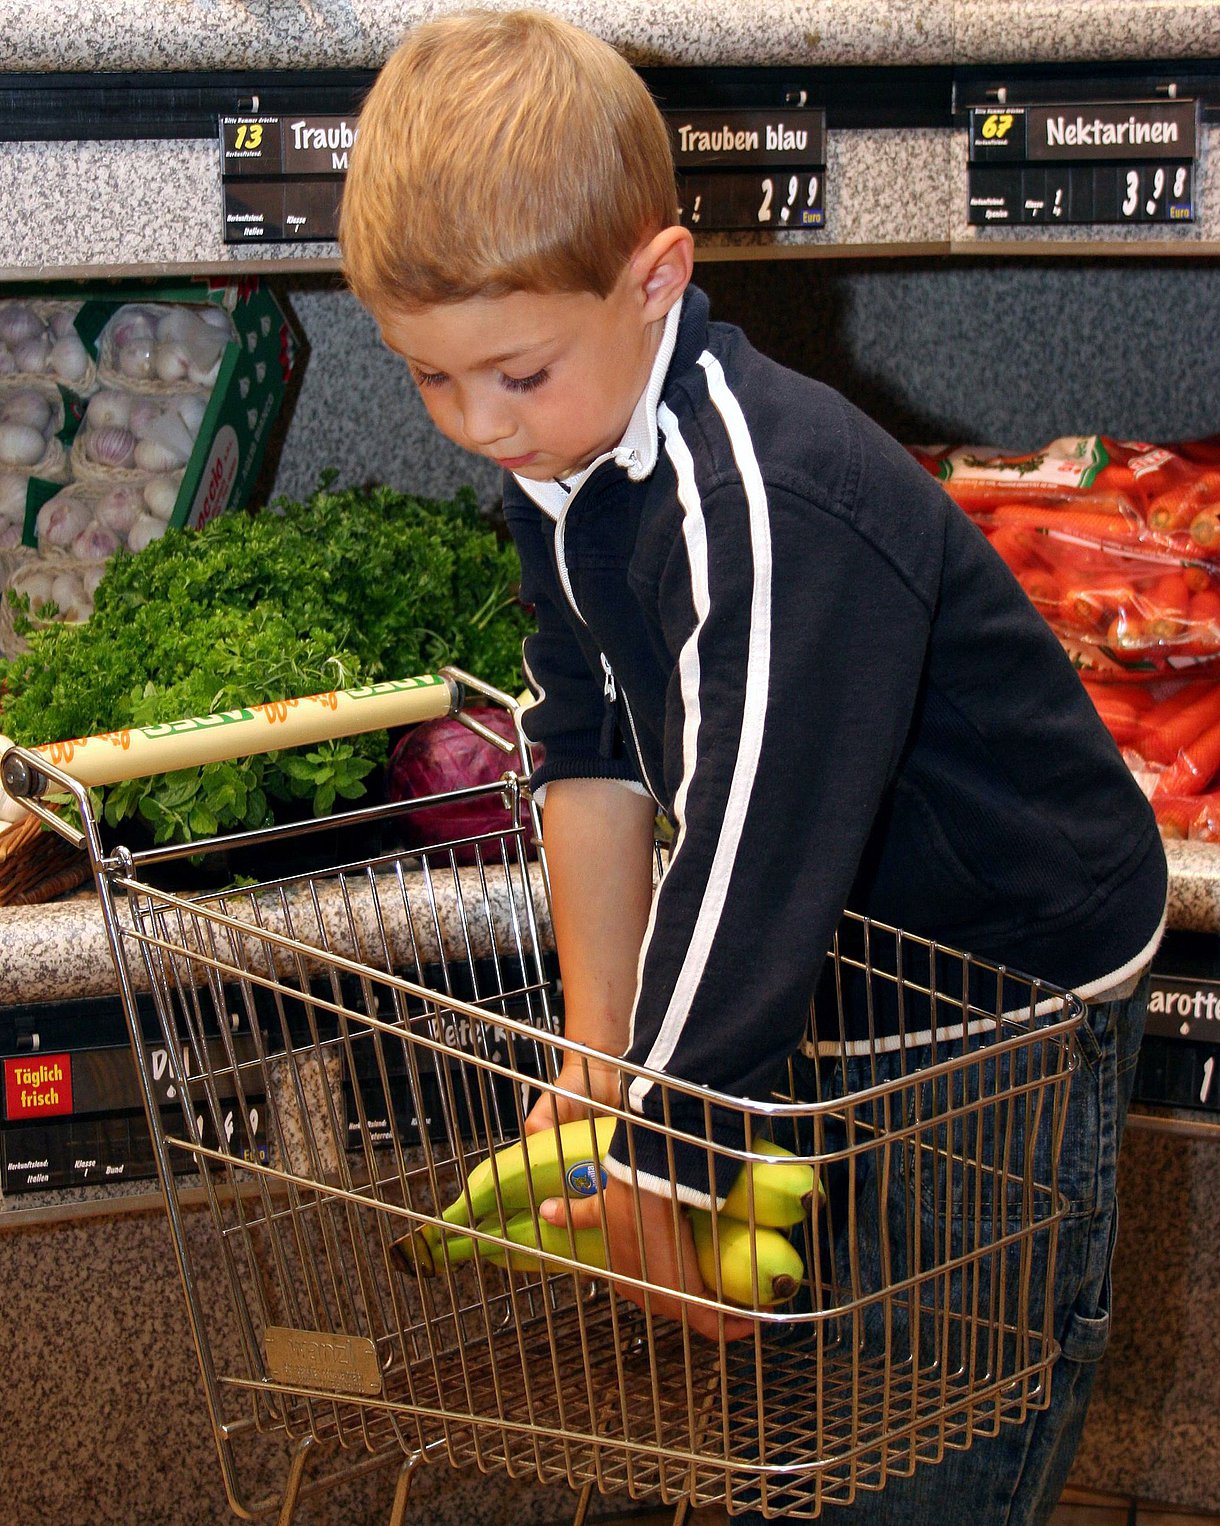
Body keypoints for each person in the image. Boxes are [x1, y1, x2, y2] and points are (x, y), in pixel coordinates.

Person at [339, 9, 1168, 1520]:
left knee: (932, 1406)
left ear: (658, 279)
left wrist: (657, 1157)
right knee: (804, 1396)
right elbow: (587, 748)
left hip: (996, 986)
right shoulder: (567, 455)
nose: (478, 429)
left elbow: (746, 842)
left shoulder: (772, 502)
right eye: (428, 380)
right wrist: (599, 1060)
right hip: (834, 962)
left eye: (513, 374)